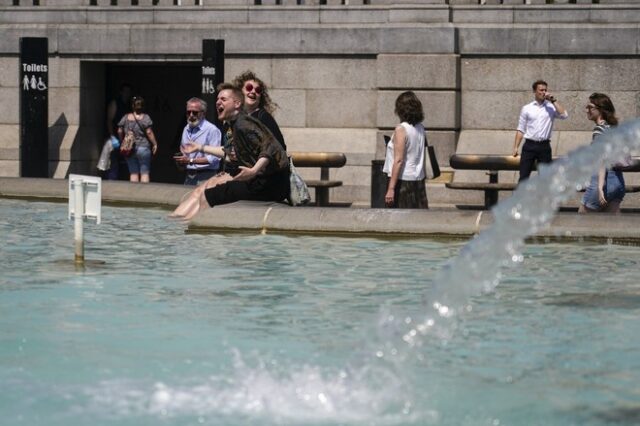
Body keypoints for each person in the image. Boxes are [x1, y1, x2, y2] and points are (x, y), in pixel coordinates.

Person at [169, 83, 289, 220]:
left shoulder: (243, 124)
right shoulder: (236, 124)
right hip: (264, 182)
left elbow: (272, 147)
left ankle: (192, 229)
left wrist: (253, 171)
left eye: (223, 99)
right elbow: (229, 153)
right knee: (208, 192)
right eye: (217, 99)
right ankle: (182, 223)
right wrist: (200, 147)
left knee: (208, 196)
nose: (218, 102)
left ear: (237, 103)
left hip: (270, 184)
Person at [513, 80, 568, 182]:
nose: (544, 92)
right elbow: (521, 129)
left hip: (544, 146)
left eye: (545, 90)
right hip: (529, 146)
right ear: (535, 91)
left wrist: (553, 100)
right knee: (524, 177)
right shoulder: (527, 108)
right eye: (541, 90)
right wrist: (516, 147)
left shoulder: (551, 107)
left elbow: (564, 115)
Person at [579, 93, 625, 214]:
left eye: (590, 107)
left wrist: (600, 187)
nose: (586, 110)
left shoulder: (600, 129)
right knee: (614, 228)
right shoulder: (614, 129)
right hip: (618, 182)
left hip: (602, 180)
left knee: (581, 220)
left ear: (600, 110)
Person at [383, 91, 428, 209]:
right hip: (418, 180)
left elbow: (398, 160)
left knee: (398, 221)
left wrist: (391, 188)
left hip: (403, 181)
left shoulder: (401, 129)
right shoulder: (420, 128)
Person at [232, 71, 286, 150]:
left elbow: (280, 147)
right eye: (249, 88)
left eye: (258, 90)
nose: (253, 91)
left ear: (260, 97)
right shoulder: (235, 117)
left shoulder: (264, 117)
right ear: (240, 92)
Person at [174, 97, 221, 185]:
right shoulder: (186, 128)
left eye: (195, 112)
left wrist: (191, 160)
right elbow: (184, 151)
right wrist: (181, 160)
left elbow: (215, 158)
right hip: (189, 176)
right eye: (188, 112)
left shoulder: (212, 130)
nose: (191, 115)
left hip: (206, 176)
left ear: (203, 113)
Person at [117, 96, 159, 183]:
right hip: (143, 147)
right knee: (144, 173)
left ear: (132, 106)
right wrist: (155, 143)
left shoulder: (125, 117)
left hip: (129, 148)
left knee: (133, 173)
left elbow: (119, 130)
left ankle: (133, 193)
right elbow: (149, 132)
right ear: (143, 106)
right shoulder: (146, 117)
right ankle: (143, 194)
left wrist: (122, 141)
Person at [105, 83, 132, 180]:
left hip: (127, 138)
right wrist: (112, 136)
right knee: (114, 163)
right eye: (125, 92)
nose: (127, 94)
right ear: (121, 92)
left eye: (128, 92)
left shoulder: (129, 105)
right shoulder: (115, 103)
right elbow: (109, 120)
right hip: (116, 137)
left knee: (126, 164)